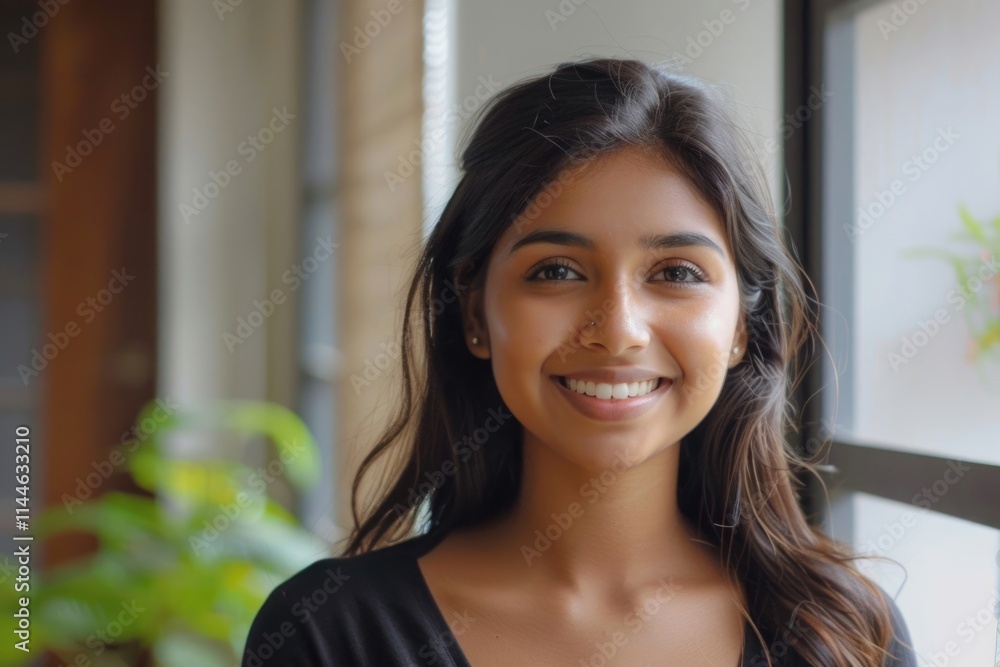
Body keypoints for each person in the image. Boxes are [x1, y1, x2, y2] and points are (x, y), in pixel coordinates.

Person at [241, 57, 918, 666]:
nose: (617, 330)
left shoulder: (845, 635)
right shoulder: (331, 635)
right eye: (557, 270)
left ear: (742, 324)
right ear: (476, 315)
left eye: (677, 272)